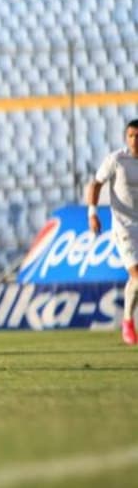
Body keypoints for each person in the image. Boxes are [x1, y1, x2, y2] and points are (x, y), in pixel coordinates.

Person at [87, 119, 138, 345]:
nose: (135, 140)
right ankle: (128, 321)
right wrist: (92, 213)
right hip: (124, 226)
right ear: (126, 138)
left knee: (135, 281)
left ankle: (127, 319)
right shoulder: (116, 160)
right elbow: (96, 184)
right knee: (137, 275)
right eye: (131, 136)